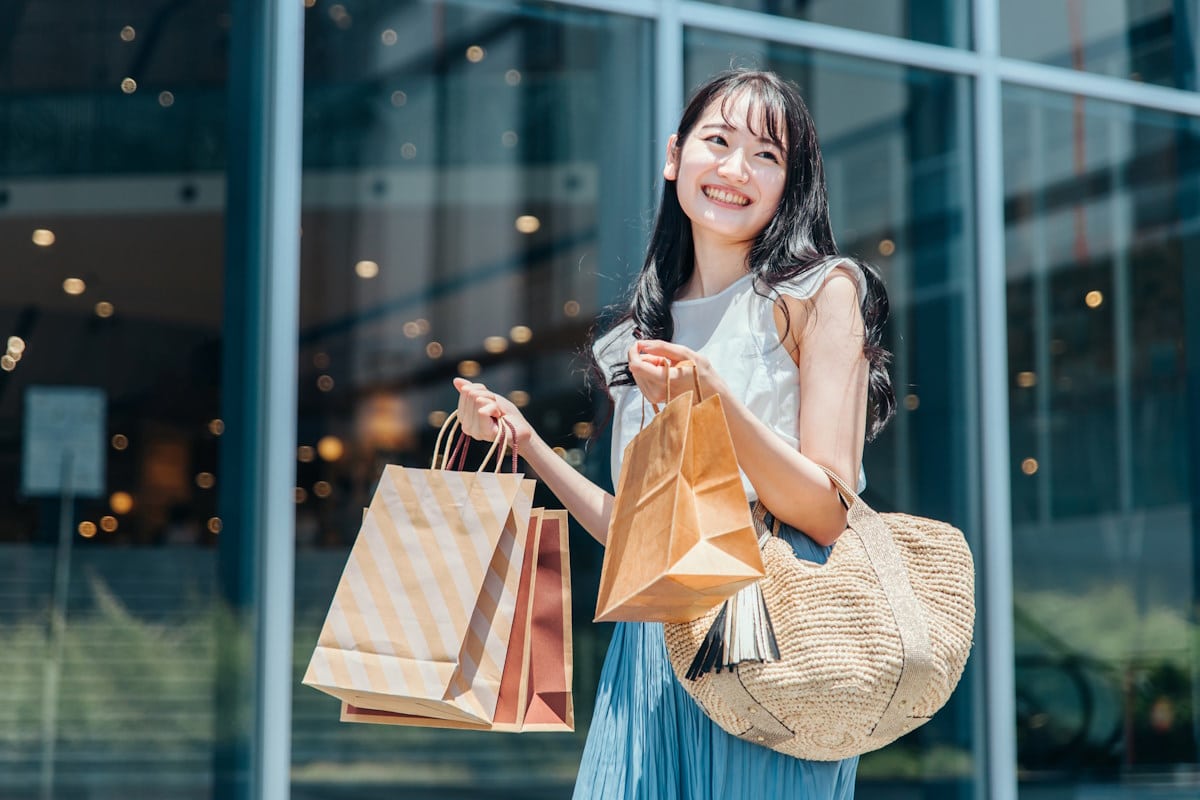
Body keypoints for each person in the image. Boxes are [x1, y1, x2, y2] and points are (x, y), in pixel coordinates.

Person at [453, 68, 895, 800]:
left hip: (771, 634)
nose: (733, 169)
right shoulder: (637, 334)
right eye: (716, 142)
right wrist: (526, 445)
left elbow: (827, 508)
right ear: (674, 155)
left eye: (766, 155)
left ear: (794, 182)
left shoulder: (823, 292)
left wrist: (713, 406)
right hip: (652, 646)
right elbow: (640, 535)